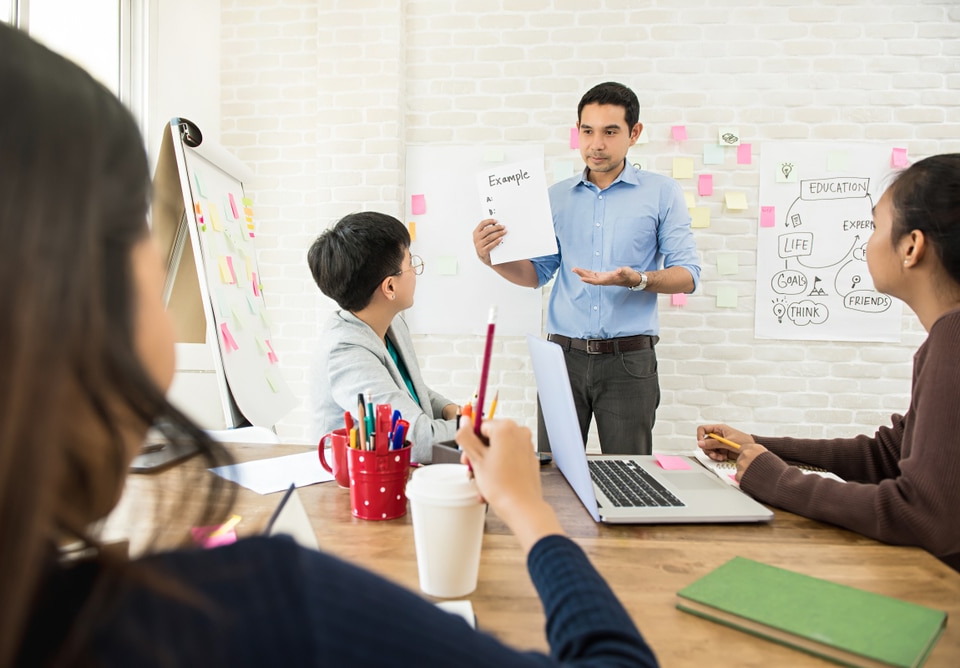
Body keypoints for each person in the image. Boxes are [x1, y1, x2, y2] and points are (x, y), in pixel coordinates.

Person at [0, 9, 658, 667]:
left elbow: (420, 400)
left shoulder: (394, 326)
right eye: (138, 234)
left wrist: (450, 412)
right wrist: (527, 510)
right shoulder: (265, 601)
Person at [698, 154, 960, 573]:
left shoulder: (953, 341)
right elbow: (887, 455)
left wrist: (777, 480)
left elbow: (923, 514)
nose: (865, 242)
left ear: (911, 247)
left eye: (875, 227)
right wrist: (756, 446)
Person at [473, 82, 701, 456]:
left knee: (630, 475)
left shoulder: (663, 193)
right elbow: (537, 274)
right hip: (562, 358)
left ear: (634, 133)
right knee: (554, 476)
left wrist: (637, 280)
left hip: (629, 363)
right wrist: (492, 259)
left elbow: (688, 275)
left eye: (610, 132)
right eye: (587, 130)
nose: (596, 143)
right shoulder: (556, 197)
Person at [308, 212, 461, 463]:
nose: (415, 271)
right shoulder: (345, 352)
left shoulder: (392, 323)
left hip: (396, 471)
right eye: (410, 262)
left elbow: (409, 390)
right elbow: (416, 440)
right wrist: (477, 429)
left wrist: (449, 410)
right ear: (390, 287)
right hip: (350, 486)